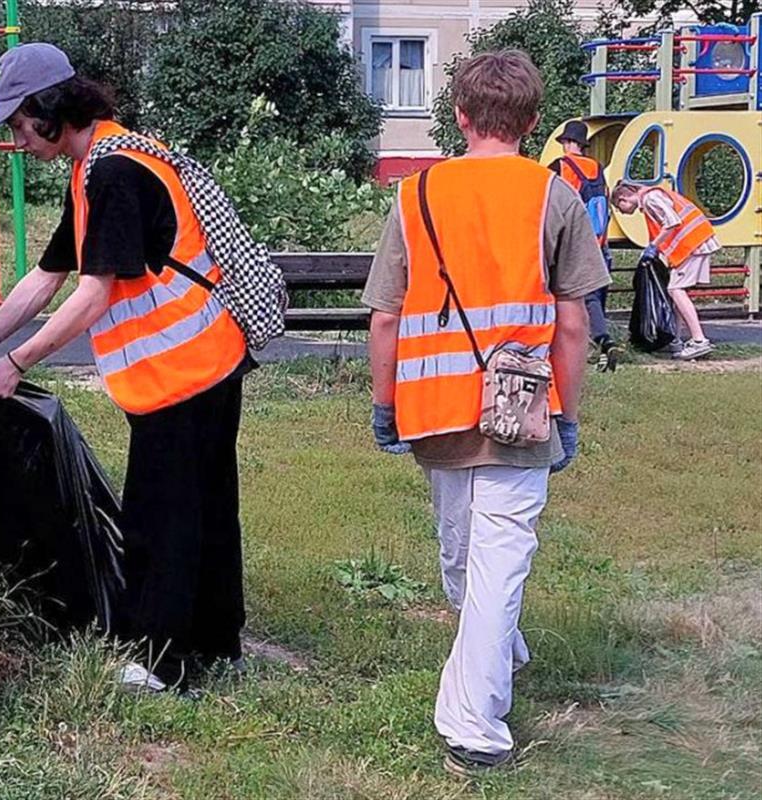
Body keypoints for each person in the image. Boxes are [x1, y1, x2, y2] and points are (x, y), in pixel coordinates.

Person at [0, 43, 253, 692]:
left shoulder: (114, 175)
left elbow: (92, 293)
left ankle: (164, 664)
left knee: (159, 516)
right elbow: (45, 278)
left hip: (185, 368)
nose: (16, 139)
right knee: (204, 507)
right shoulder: (98, 167)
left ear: (51, 112)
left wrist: (16, 361)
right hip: (205, 359)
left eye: (18, 124)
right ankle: (217, 642)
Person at [364, 50, 608, 777]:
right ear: (534, 123)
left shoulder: (416, 195)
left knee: (470, 551)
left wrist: (385, 405)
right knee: (489, 559)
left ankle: (476, 705)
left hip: (435, 409)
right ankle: (484, 687)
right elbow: (572, 323)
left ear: (461, 118)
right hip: (522, 406)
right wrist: (567, 414)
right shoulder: (553, 195)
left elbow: (384, 317)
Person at [611, 181, 719, 360]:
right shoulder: (651, 197)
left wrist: (653, 246)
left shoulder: (650, 198)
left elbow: (672, 222)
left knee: (675, 290)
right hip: (696, 241)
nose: (622, 212)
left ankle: (699, 340)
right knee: (674, 291)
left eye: (619, 207)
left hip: (693, 243)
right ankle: (674, 340)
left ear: (623, 198)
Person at [549, 121, 621, 372]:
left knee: (571, 294)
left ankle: (600, 341)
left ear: (567, 143)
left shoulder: (559, 167)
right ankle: (598, 342)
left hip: (572, 238)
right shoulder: (597, 167)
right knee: (596, 294)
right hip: (599, 239)